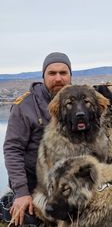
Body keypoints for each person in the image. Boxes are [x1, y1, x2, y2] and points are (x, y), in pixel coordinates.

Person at [3, 52, 72, 226]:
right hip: (33, 185)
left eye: (63, 73)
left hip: (69, 185)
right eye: (52, 73)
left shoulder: (79, 103)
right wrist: (21, 193)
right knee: (26, 219)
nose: (58, 78)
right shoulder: (25, 106)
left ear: (70, 76)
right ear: (43, 76)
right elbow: (13, 149)